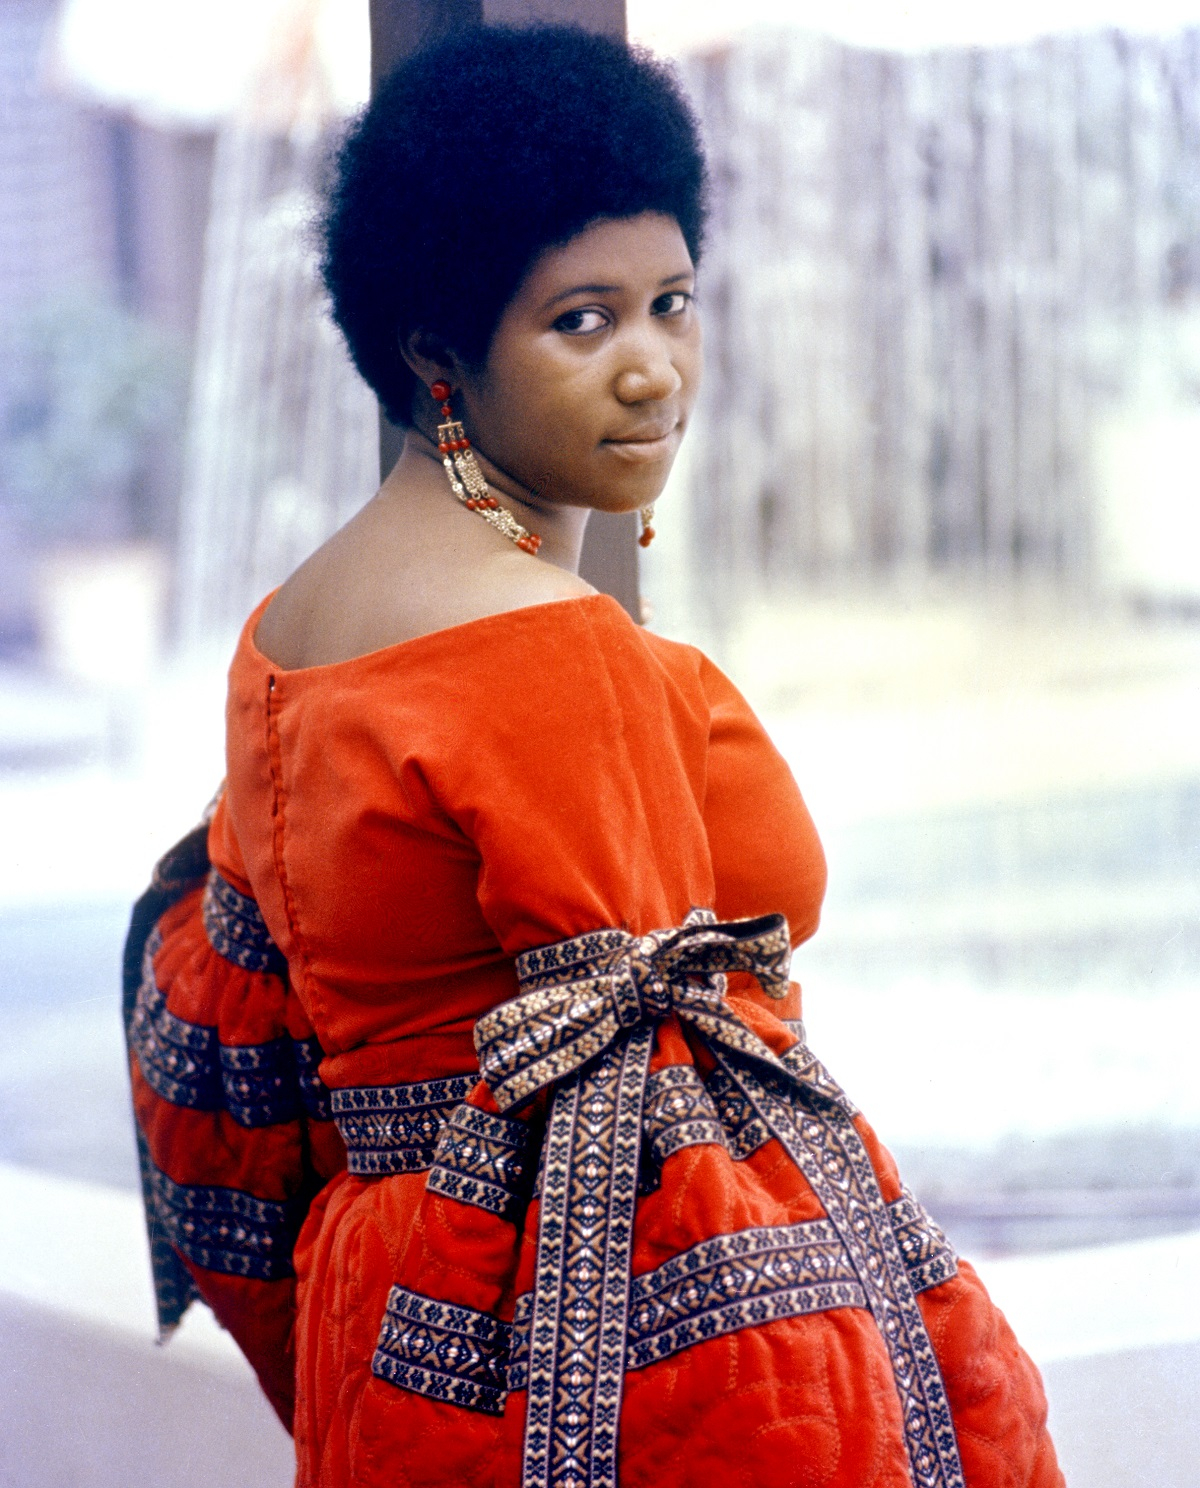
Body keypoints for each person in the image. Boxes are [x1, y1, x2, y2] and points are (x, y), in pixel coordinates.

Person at [124, 24, 1063, 1488]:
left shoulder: (292, 625)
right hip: (558, 1333)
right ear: (438, 347)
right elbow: (667, 1128)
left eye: (672, 304)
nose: (651, 372)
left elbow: (253, 987)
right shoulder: (553, 654)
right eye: (581, 322)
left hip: (388, 1290)